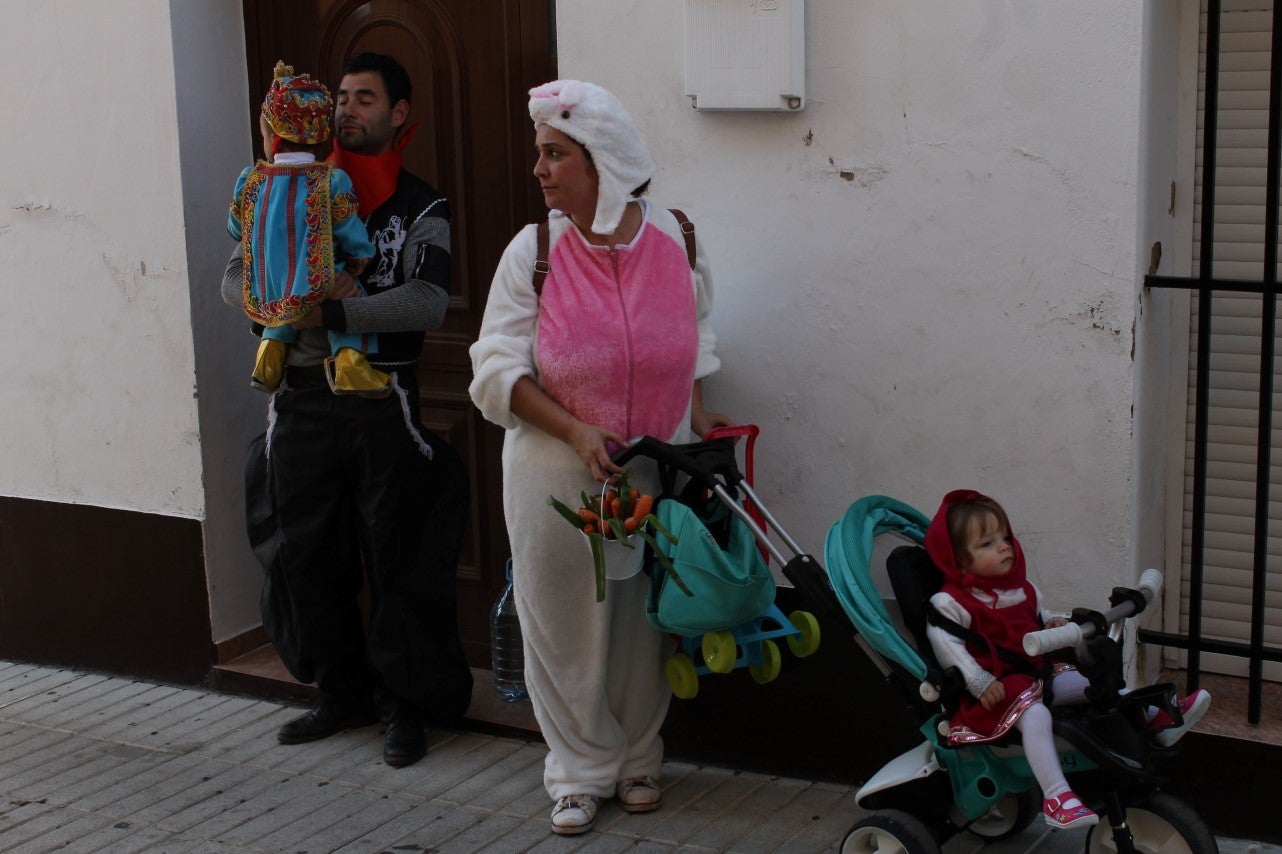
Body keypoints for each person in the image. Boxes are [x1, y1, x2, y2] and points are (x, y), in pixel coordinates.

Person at [469, 79, 732, 836]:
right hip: (554, 467)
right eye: (540, 154)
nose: (540, 170)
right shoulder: (536, 250)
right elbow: (496, 368)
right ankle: (579, 772)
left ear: (602, 161)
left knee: (644, 620)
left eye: (555, 154)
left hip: (654, 464)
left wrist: (699, 408)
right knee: (562, 620)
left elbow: (697, 333)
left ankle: (641, 757)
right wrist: (576, 430)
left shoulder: (676, 239)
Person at [224, 52, 472, 769]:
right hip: (299, 400)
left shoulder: (422, 204)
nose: (346, 110)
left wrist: (326, 309)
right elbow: (234, 275)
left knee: (395, 558)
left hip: (380, 401)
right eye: (340, 97)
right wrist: (272, 305)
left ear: (399, 114)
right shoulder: (278, 187)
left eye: (365, 99)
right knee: (306, 555)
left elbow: (426, 303)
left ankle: (405, 707)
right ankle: (341, 694)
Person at [923, 490, 1211, 831]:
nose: (1003, 547)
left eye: (1005, 537)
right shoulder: (950, 603)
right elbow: (947, 643)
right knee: (1036, 714)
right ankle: (1057, 796)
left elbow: (1039, 614)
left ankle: (1155, 718)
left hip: (1032, 675)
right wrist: (978, 680)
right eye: (987, 544)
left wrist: (1054, 624)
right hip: (994, 690)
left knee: (1093, 683)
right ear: (958, 561)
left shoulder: (1020, 588)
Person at [228, 61, 389, 398]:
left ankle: (269, 353)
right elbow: (349, 231)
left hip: (272, 280)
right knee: (350, 294)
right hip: (320, 277)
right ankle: (349, 364)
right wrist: (361, 258)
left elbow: (236, 228)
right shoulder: (329, 180)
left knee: (281, 297)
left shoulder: (252, 181)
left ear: (272, 136)